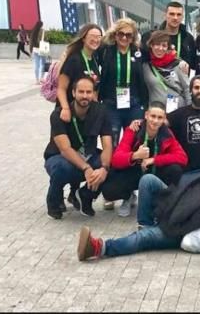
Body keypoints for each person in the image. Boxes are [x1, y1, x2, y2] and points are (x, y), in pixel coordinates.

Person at [77, 149, 200, 261]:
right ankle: (147, 224)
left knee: (144, 238)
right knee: (149, 180)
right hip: (180, 209)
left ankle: (98, 248)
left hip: (190, 227)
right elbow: (198, 190)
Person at [102, 101, 188, 217]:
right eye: (153, 116)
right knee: (109, 191)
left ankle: (162, 197)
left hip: (155, 171)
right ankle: (128, 197)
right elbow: (116, 159)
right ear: (146, 115)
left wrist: (154, 160)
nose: (155, 121)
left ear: (164, 119)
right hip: (135, 171)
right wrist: (135, 155)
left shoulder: (167, 133)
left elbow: (182, 157)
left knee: (175, 169)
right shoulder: (133, 129)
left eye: (159, 117)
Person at [43, 77, 113, 220]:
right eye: (81, 92)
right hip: (60, 157)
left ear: (94, 94)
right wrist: (86, 168)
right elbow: (65, 149)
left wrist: (104, 168)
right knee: (62, 168)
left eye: (89, 92)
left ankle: (84, 197)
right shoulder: (58, 115)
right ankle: (54, 201)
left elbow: (107, 144)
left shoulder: (101, 111)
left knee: (111, 165)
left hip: (88, 155)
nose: (85, 96)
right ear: (73, 93)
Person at [97, 18, 148, 212]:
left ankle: (129, 191)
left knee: (134, 145)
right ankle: (111, 192)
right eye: (121, 34)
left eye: (129, 35)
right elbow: (87, 53)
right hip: (111, 104)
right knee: (112, 146)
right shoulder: (106, 51)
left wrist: (181, 63)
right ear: (115, 34)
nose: (125, 38)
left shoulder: (139, 52)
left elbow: (159, 59)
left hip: (134, 104)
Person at [56, 24, 104, 116]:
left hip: (87, 113)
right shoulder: (74, 59)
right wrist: (65, 108)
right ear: (83, 38)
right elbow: (61, 88)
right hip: (70, 111)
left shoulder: (94, 59)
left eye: (99, 37)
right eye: (92, 36)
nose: (96, 40)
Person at [142, 30, 191, 112]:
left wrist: (190, 111)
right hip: (156, 114)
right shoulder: (146, 67)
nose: (160, 48)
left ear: (168, 47)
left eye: (164, 45)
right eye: (157, 44)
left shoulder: (178, 64)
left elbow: (187, 89)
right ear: (151, 45)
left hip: (178, 111)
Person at [142, 2, 197, 73]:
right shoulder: (150, 36)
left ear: (182, 17)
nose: (175, 18)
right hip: (156, 80)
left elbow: (192, 63)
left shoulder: (188, 38)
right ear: (165, 15)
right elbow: (143, 60)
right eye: (172, 14)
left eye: (179, 15)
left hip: (179, 82)